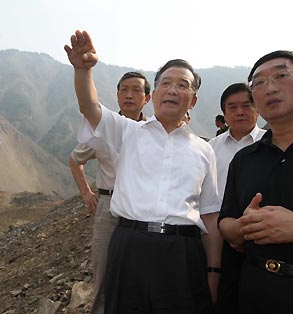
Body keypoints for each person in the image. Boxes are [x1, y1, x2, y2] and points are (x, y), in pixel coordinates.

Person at [64, 30, 222, 314]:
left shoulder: (204, 150)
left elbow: (210, 215)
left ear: (193, 100)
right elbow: (89, 107)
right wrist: (82, 71)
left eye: (182, 85)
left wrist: (213, 271)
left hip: (182, 251)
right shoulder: (127, 132)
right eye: (166, 83)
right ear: (155, 94)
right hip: (130, 245)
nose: (173, 90)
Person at [218, 50, 293, 314]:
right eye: (258, 83)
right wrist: (244, 227)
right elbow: (225, 223)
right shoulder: (245, 159)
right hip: (254, 291)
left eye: (281, 75)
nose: (269, 88)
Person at [68, 71, 150, 314]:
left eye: (136, 90)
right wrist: (86, 193)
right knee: (103, 271)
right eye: (124, 89)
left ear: (147, 98)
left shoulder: (154, 131)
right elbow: (75, 159)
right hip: (109, 205)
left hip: (142, 209)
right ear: (116, 96)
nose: (129, 95)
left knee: (141, 272)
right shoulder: (104, 128)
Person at [208, 83, 266, 314]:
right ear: (224, 113)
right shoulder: (211, 148)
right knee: (223, 296)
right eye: (232, 107)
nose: (239, 111)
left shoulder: (270, 143)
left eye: (246, 105)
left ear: (258, 109)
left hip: (261, 237)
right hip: (216, 236)